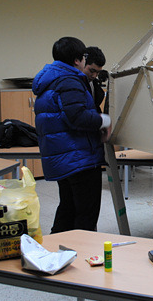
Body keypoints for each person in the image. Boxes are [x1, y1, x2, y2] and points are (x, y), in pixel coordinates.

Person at [32, 37, 112, 233]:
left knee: (68, 209)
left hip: (65, 157)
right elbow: (77, 117)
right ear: (78, 59)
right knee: (85, 214)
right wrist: (105, 120)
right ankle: (82, 249)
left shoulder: (51, 79)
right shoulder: (69, 80)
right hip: (79, 158)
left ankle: (56, 248)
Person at [82, 46, 106, 112]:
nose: (94, 76)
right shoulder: (71, 83)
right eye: (92, 71)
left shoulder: (95, 84)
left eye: (98, 72)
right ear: (83, 63)